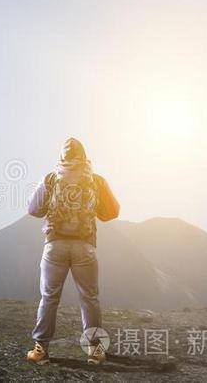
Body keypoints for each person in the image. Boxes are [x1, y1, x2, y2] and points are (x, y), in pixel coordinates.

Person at [26, 137, 120, 366]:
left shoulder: (51, 177)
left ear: (62, 157)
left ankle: (40, 350)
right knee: (89, 298)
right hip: (85, 247)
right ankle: (95, 350)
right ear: (84, 156)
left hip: (54, 246)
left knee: (49, 298)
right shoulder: (95, 180)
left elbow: (33, 209)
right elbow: (112, 212)